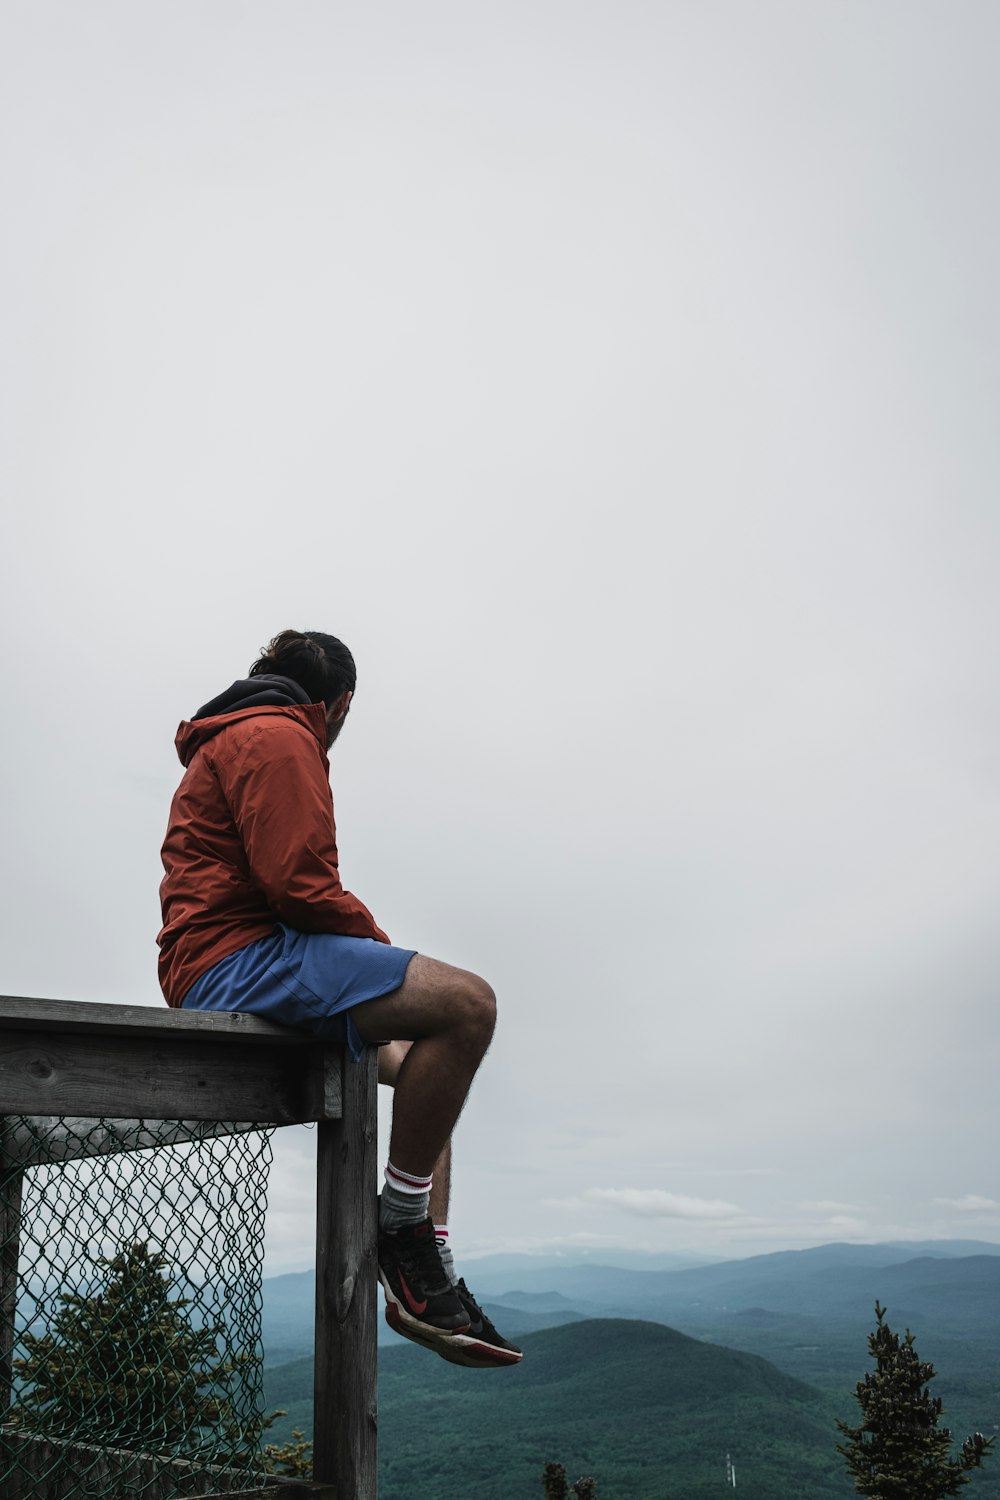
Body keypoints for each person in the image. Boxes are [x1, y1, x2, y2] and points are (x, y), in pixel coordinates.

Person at [157, 628, 521, 1369]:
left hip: (236, 957)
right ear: (340, 704)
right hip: (239, 962)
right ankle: (403, 1230)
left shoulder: (237, 734)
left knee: (430, 1070)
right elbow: (299, 887)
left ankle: (423, 1269)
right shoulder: (278, 736)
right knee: (467, 1005)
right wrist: (381, 951)